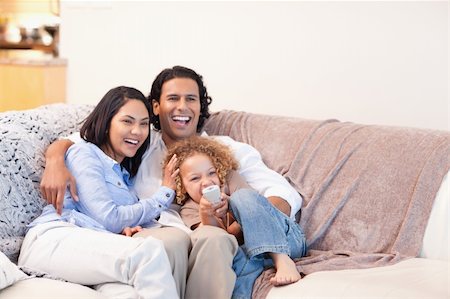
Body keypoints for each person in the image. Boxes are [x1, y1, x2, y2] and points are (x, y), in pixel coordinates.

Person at [40, 66, 303, 299]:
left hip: (216, 237)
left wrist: (243, 228)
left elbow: (280, 194)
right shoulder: (140, 143)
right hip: (161, 237)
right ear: (156, 106)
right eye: (173, 98)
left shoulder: (224, 150)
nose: (182, 107)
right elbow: (85, 142)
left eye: (191, 99)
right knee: (166, 244)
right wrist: (55, 162)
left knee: (213, 239)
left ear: (201, 106)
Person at [19, 86, 179, 299]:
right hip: (53, 239)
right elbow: (108, 217)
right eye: (127, 121)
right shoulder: (84, 153)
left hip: (86, 244)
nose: (138, 131)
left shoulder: (123, 174)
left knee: (130, 293)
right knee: (148, 253)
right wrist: (165, 192)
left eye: (143, 124)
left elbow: (109, 222)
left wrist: (126, 228)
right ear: (106, 124)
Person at [164, 136, 307, 298]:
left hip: (285, 240)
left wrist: (231, 206)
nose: (206, 182)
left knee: (242, 197)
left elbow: (254, 208)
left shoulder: (230, 180)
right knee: (232, 265)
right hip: (253, 257)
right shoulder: (189, 210)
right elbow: (221, 241)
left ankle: (281, 259)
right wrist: (206, 215)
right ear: (182, 186)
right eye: (195, 178)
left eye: (211, 173)